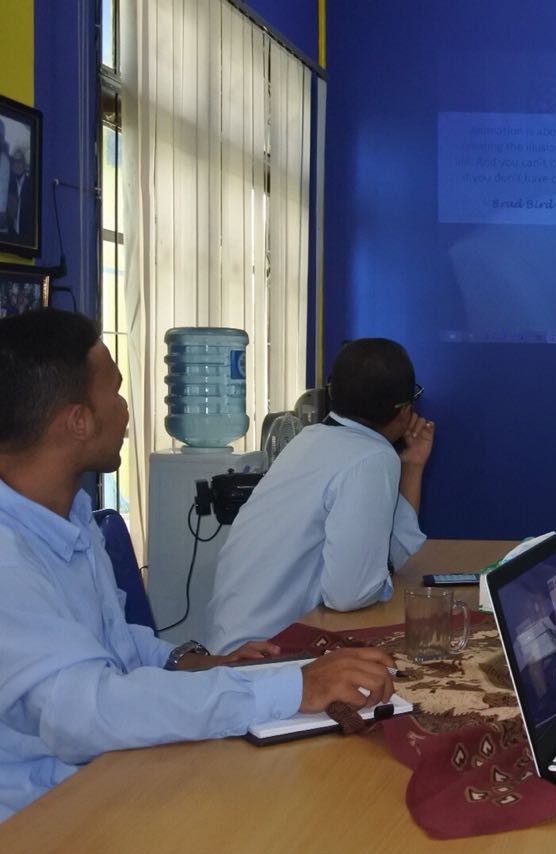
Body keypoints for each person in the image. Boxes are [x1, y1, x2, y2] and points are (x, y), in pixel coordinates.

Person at [0, 309, 395, 822]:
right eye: (115, 392)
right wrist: (295, 688)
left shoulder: (68, 512)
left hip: (109, 772)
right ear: (78, 420)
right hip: (44, 813)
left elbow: (111, 644)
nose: (125, 409)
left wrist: (200, 662)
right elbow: (85, 712)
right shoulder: (10, 559)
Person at [207, 338, 434, 653]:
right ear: (404, 410)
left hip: (232, 646)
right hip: (266, 655)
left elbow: (382, 560)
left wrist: (413, 465)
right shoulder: (370, 457)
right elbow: (350, 594)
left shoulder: (311, 439)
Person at [8, 148, 33, 240]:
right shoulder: (9, 185)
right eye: (15, 163)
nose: (17, 165)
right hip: (12, 234)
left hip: (27, 236)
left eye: (20, 162)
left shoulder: (31, 184)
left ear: (24, 165)